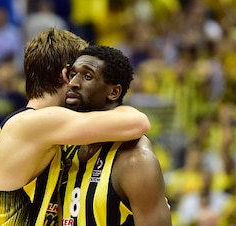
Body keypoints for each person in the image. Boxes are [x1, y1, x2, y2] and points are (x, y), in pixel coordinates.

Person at [0, 28, 150, 225]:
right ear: (66, 75)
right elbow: (138, 122)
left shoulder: (32, 126)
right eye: (79, 73)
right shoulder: (37, 123)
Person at [60, 45, 172, 225]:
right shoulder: (64, 146)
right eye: (72, 74)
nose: (73, 83)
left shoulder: (135, 159)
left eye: (87, 76)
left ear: (113, 92)